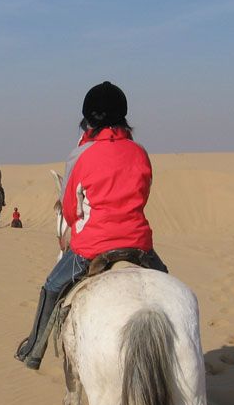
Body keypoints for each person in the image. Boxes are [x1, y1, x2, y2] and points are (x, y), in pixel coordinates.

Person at [15, 81, 169, 370]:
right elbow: (143, 194)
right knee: (167, 286)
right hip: (139, 244)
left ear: (87, 121)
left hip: (92, 247)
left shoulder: (81, 155)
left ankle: (34, 350)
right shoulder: (139, 152)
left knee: (51, 287)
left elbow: (71, 210)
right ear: (124, 118)